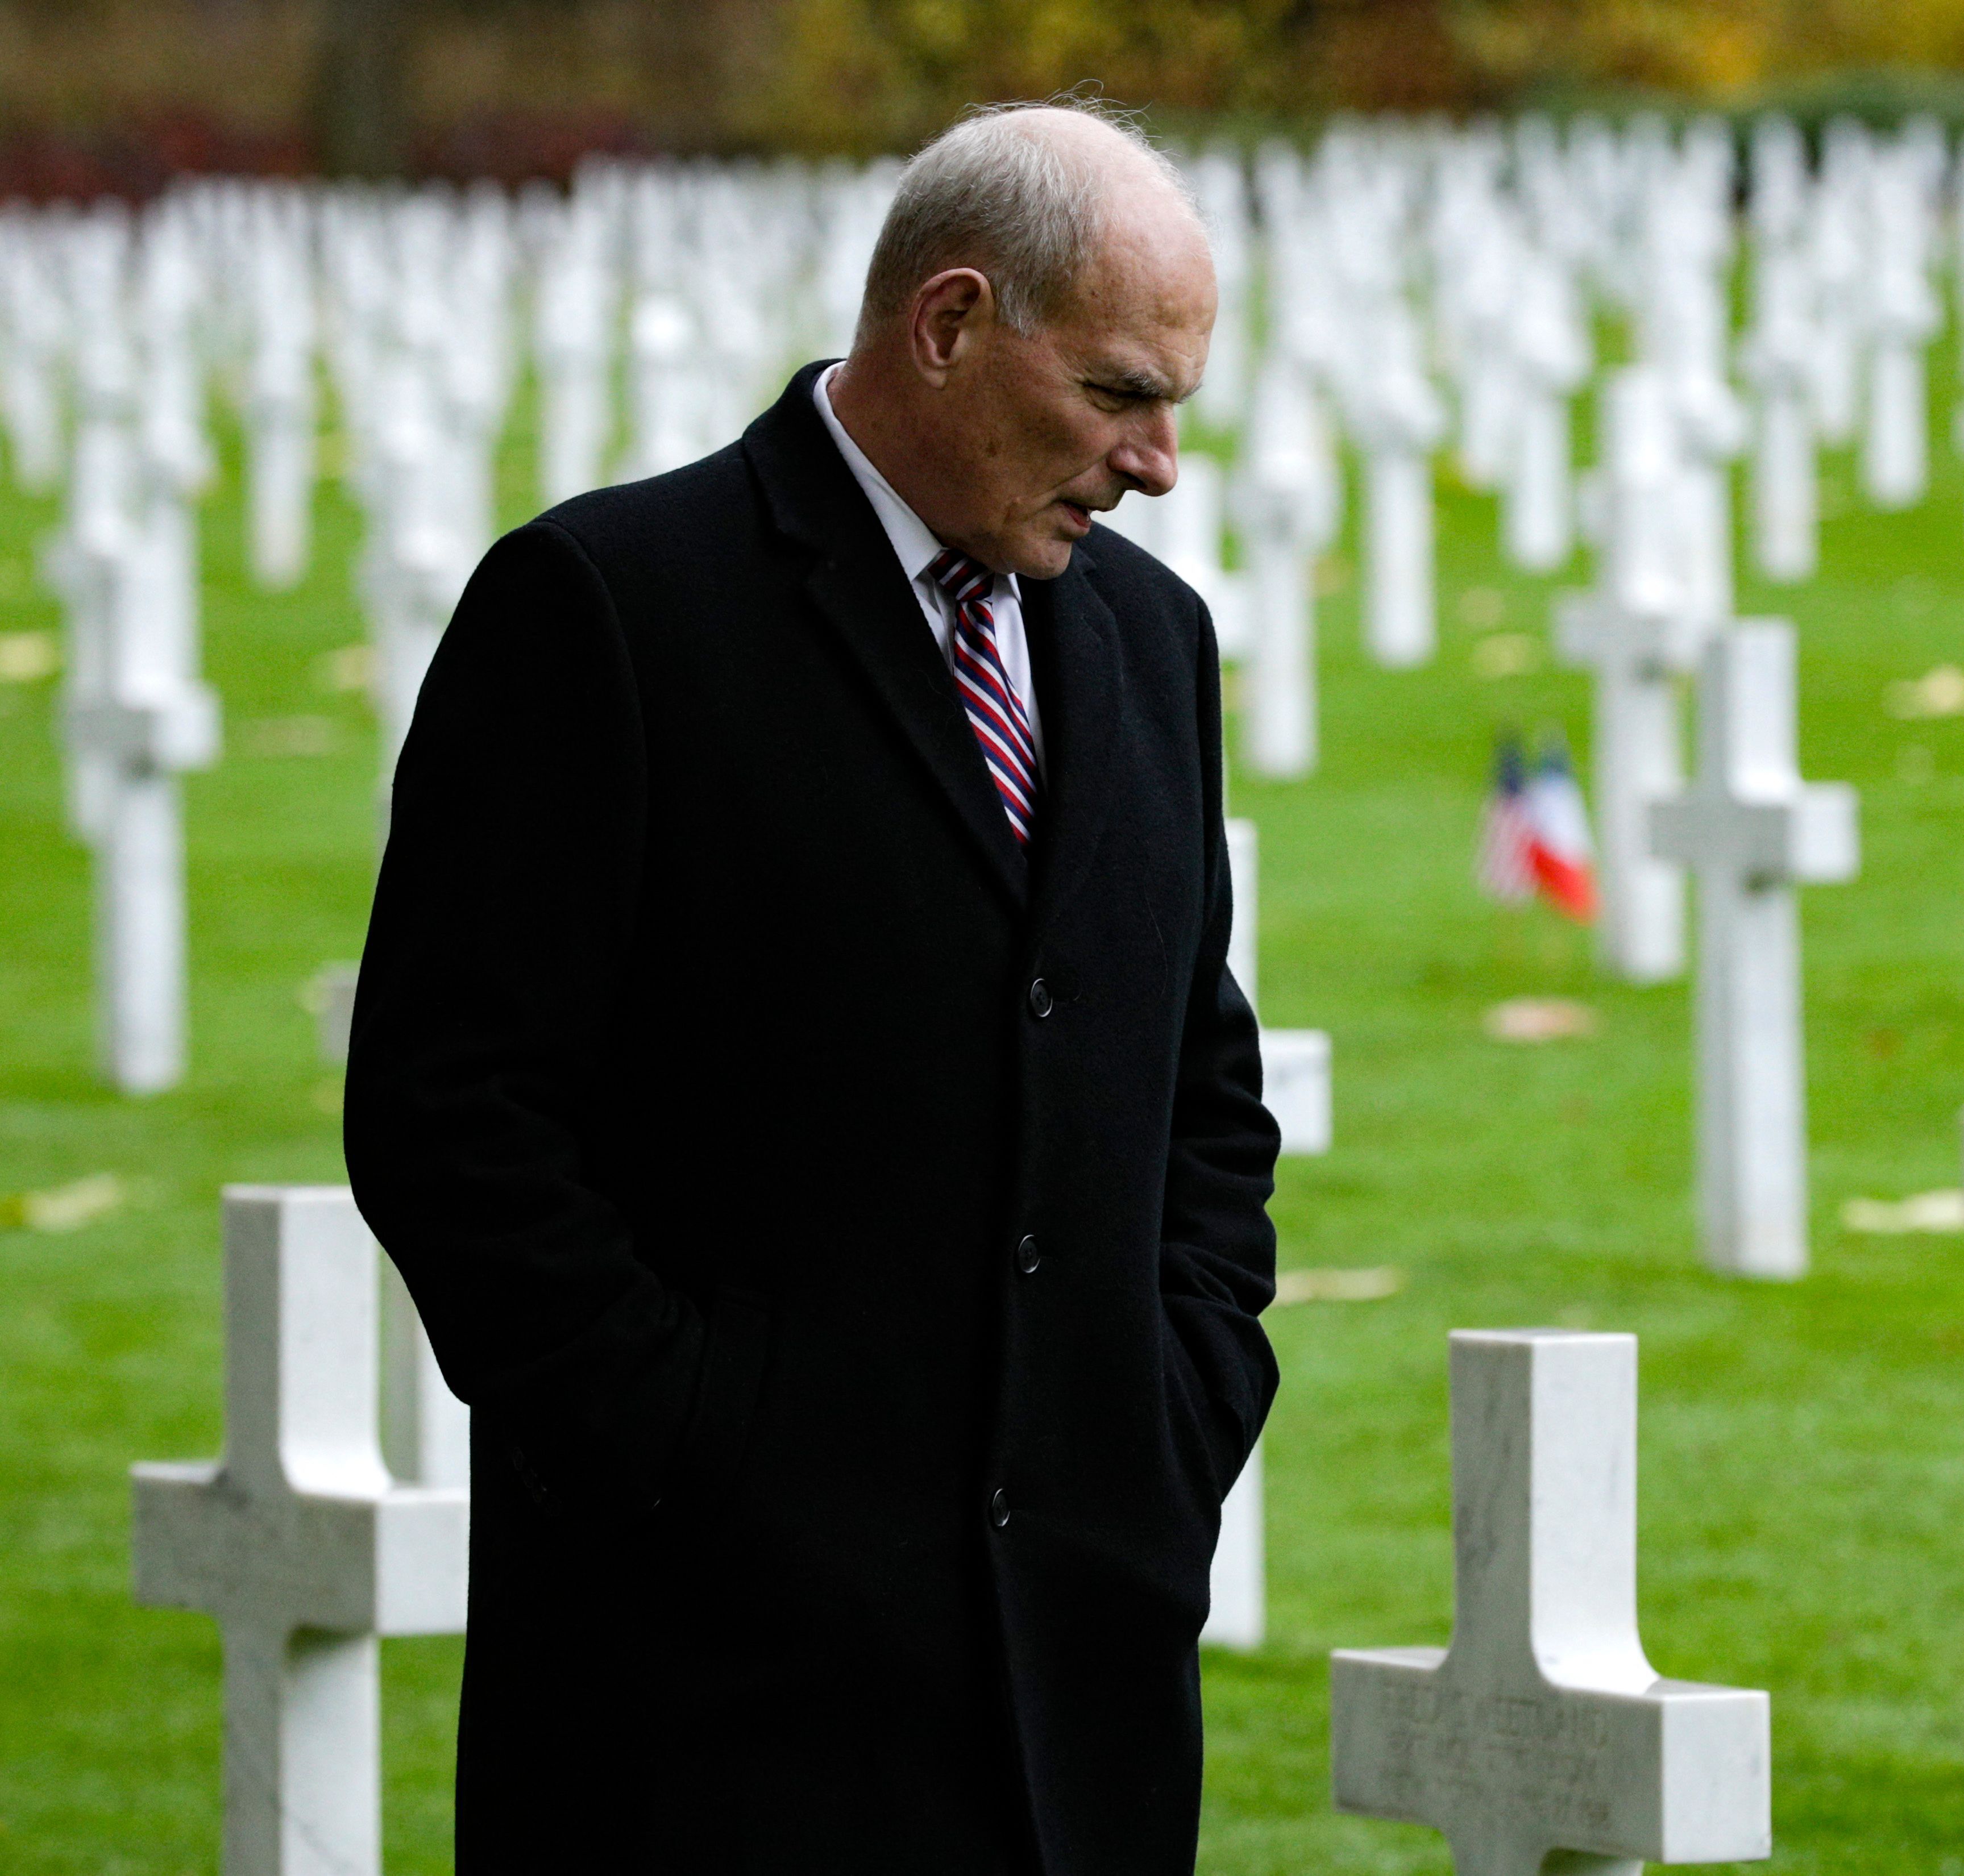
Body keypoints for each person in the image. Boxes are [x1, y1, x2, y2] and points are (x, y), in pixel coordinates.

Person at [343, 101, 1279, 1876]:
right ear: (946, 324)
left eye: (1175, 405)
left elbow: (1196, 1094)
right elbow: (449, 1117)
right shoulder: (609, 608)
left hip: (1074, 1675)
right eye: (1115, 393)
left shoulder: (1150, 643)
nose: (1157, 461)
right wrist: (694, 1447)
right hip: (705, 1685)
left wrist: (1173, 1408)